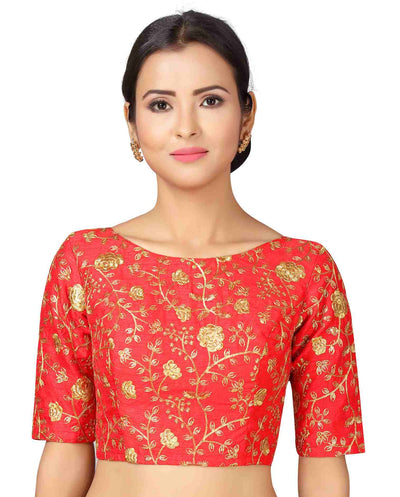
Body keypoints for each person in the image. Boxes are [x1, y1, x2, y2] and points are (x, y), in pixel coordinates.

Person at [32, 9, 365, 497]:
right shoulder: (86, 262)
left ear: (247, 113)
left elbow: (324, 457)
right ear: (131, 121)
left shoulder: (303, 271)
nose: (185, 127)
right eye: (160, 105)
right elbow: (64, 449)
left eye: (210, 100)